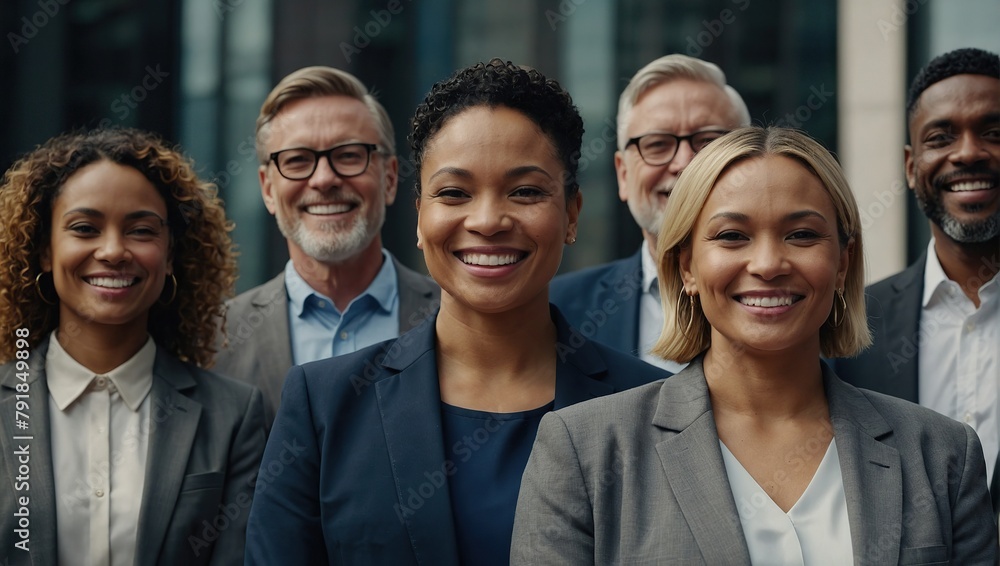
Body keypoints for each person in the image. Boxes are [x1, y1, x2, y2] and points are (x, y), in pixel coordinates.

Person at [244, 59, 668, 566]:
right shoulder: (324, 405)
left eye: (526, 191)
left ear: (571, 214)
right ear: (420, 216)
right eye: (454, 193)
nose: (487, 220)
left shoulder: (651, 404)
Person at [512, 127, 997, 565]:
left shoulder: (943, 455)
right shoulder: (586, 452)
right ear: (686, 267)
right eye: (732, 236)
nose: (768, 263)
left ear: (843, 263)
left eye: (802, 234)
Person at [0, 128, 265, 565]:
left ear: (170, 253)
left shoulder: (233, 416)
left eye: (140, 230)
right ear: (45, 249)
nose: (112, 251)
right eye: (84, 228)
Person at [213, 66, 440, 432]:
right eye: (298, 160)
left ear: (391, 178)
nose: (323, 179)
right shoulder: (214, 341)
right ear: (268, 189)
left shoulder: (458, 319)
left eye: (349, 155)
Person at [835, 47, 1000, 508]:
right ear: (911, 167)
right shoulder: (848, 324)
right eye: (941, 137)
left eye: (993, 132)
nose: (968, 152)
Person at [550, 54, 750, 373]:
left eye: (709, 142)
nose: (684, 164)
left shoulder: (808, 299)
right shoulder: (556, 311)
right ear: (624, 175)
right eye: (657, 144)